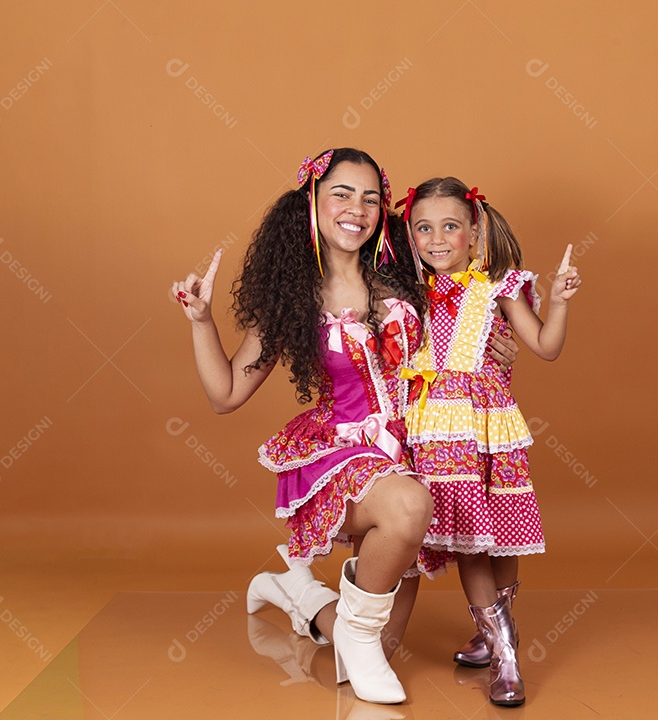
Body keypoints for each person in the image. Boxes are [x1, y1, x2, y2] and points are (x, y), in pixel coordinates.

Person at [170, 149, 518, 705]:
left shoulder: (408, 275)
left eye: (371, 198)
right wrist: (201, 320)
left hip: (418, 449)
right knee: (407, 509)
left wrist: (500, 347)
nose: (356, 208)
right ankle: (350, 627)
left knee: (383, 647)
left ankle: (298, 593)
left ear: (384, 211)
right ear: (312, 198)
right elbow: (226, 394)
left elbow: (466, 315)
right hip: (347, 454)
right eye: (341, 193)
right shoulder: (293, 298)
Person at [399, 177, 582, 706]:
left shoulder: (497, 288)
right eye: (423, 228)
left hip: (484, 425)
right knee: (469, 544)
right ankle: (504, 652)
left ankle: (500, 640)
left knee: (494, 537)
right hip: (431, 427)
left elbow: (545, 346)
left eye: (450, 226)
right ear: (409, 235)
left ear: (474, 231)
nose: (437, 239)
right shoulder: (406, 293)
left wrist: (563, 301)